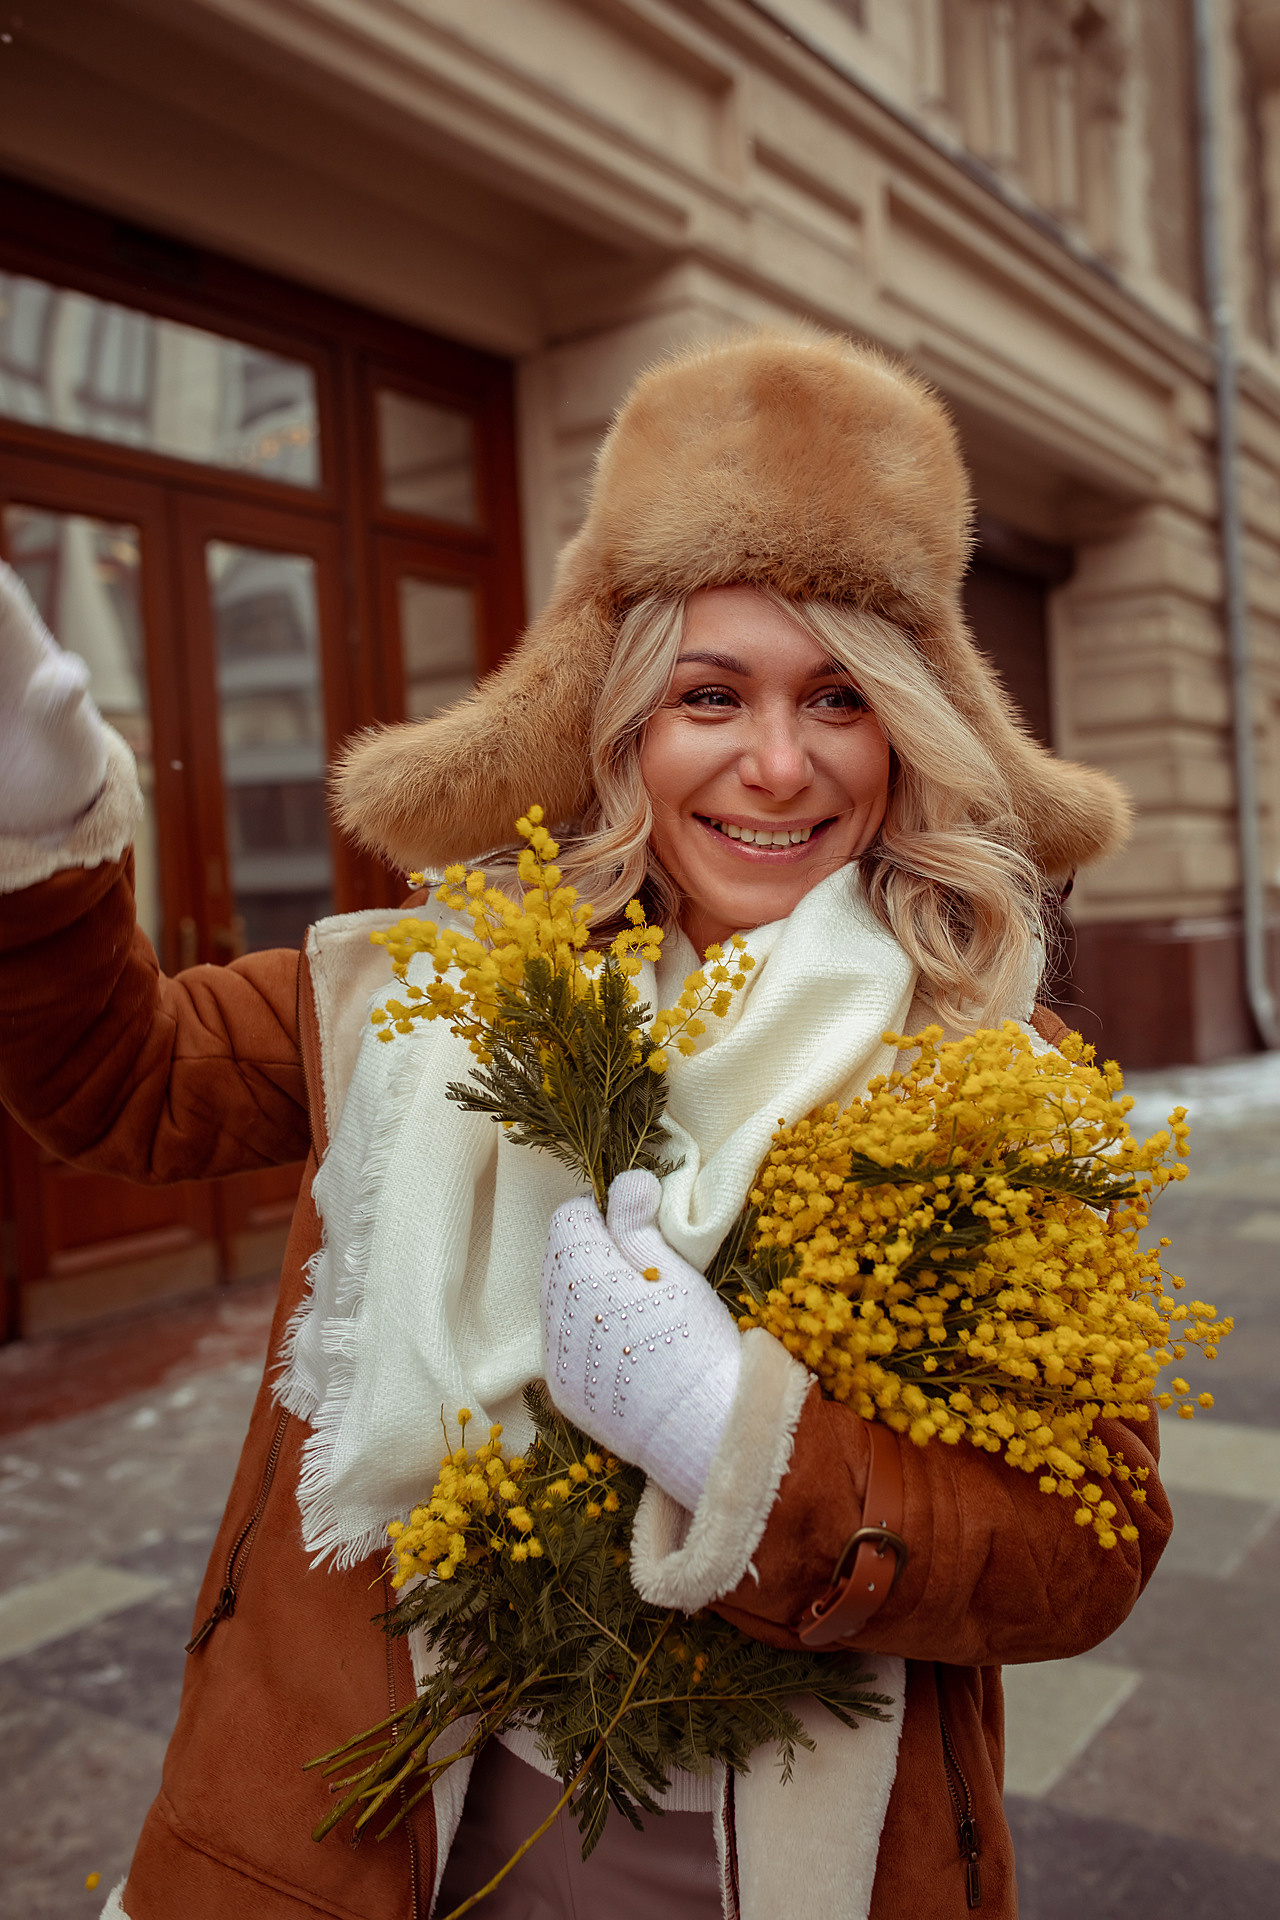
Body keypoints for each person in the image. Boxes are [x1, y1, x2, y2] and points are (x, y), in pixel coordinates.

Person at [0, 330, 1170, 1920]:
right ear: (622, 728)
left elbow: (1082, 1551)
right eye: (711, 694)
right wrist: (35, 821)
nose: (777, 761)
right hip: (376, 1839)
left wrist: (719, 1432)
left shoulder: (1000, 1083)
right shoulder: (430, 1001)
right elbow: (114, 1080)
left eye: (837, 694)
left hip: (782, 1870)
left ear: (904, 728)